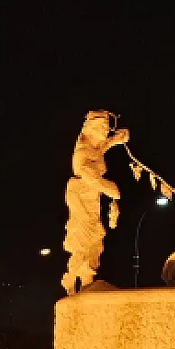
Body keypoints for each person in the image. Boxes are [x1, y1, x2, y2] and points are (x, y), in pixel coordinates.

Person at [61, 111, 130, 294]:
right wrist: (111, 189)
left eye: (106, 128)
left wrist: (117, 139)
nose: (105, 131)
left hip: (92, 198)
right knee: (83, 240)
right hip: (81, 197)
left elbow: (103, 147)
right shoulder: (82, 153)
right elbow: (89, 176)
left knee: (95, 243)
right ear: (89, 129)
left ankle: (86, 283)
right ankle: (70, 282)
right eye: (101, 128)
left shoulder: (94, 148)